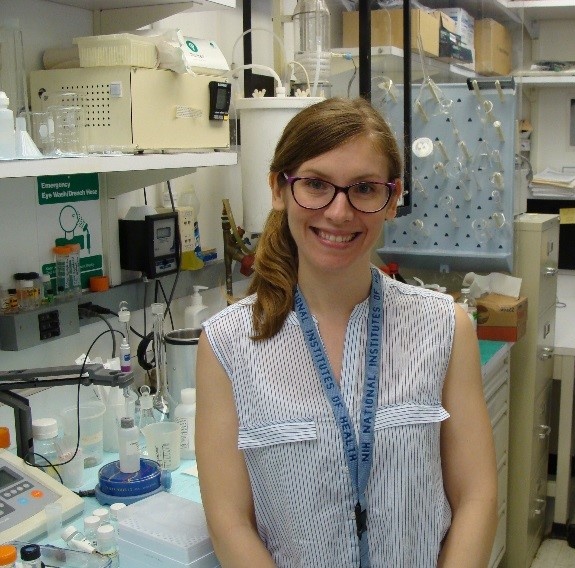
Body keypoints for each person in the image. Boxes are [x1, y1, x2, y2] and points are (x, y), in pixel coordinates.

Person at [195, 97, 497, 567]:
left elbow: (476, 496)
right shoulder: (228, 345)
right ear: (279, 188)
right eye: (315, 184)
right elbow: (229, 521)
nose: (339, 212)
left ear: (392, 199)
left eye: (364, 188)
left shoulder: (445, 327)